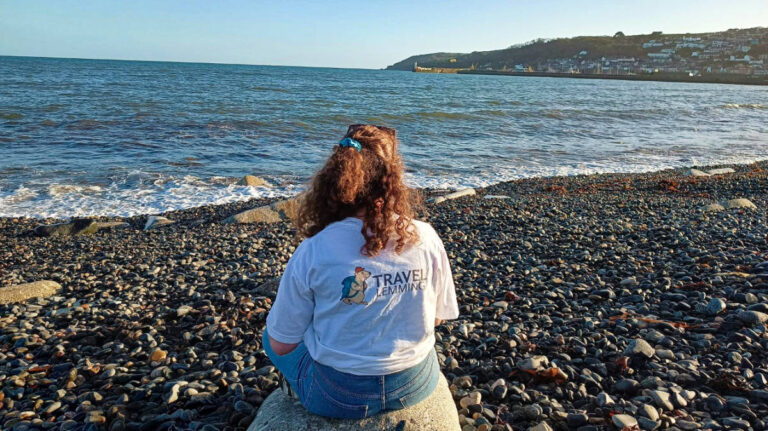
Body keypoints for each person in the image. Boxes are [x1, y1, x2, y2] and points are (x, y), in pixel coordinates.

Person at [263, 124, 459, 419]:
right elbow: (437, 316)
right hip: (414, 383)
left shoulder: (315, 248)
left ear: (335, 179)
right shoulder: (425, 236)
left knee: (270, 335)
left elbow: (282, 344)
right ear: (393, 180)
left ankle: (299, 390)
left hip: (339, 395)